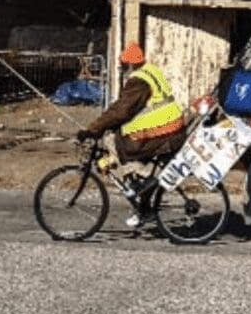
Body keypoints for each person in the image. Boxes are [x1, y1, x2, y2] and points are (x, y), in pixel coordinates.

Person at [77, 41, 186, 227]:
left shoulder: (138, 81)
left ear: (129, 64)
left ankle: (140, 178)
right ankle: (142, 204)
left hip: (166, 126)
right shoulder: (150, 70)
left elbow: (122, 110)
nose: (123, 69)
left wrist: (93, 129)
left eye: (123, 65)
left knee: (120, 142)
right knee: (122, 135)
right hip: (171, 120)